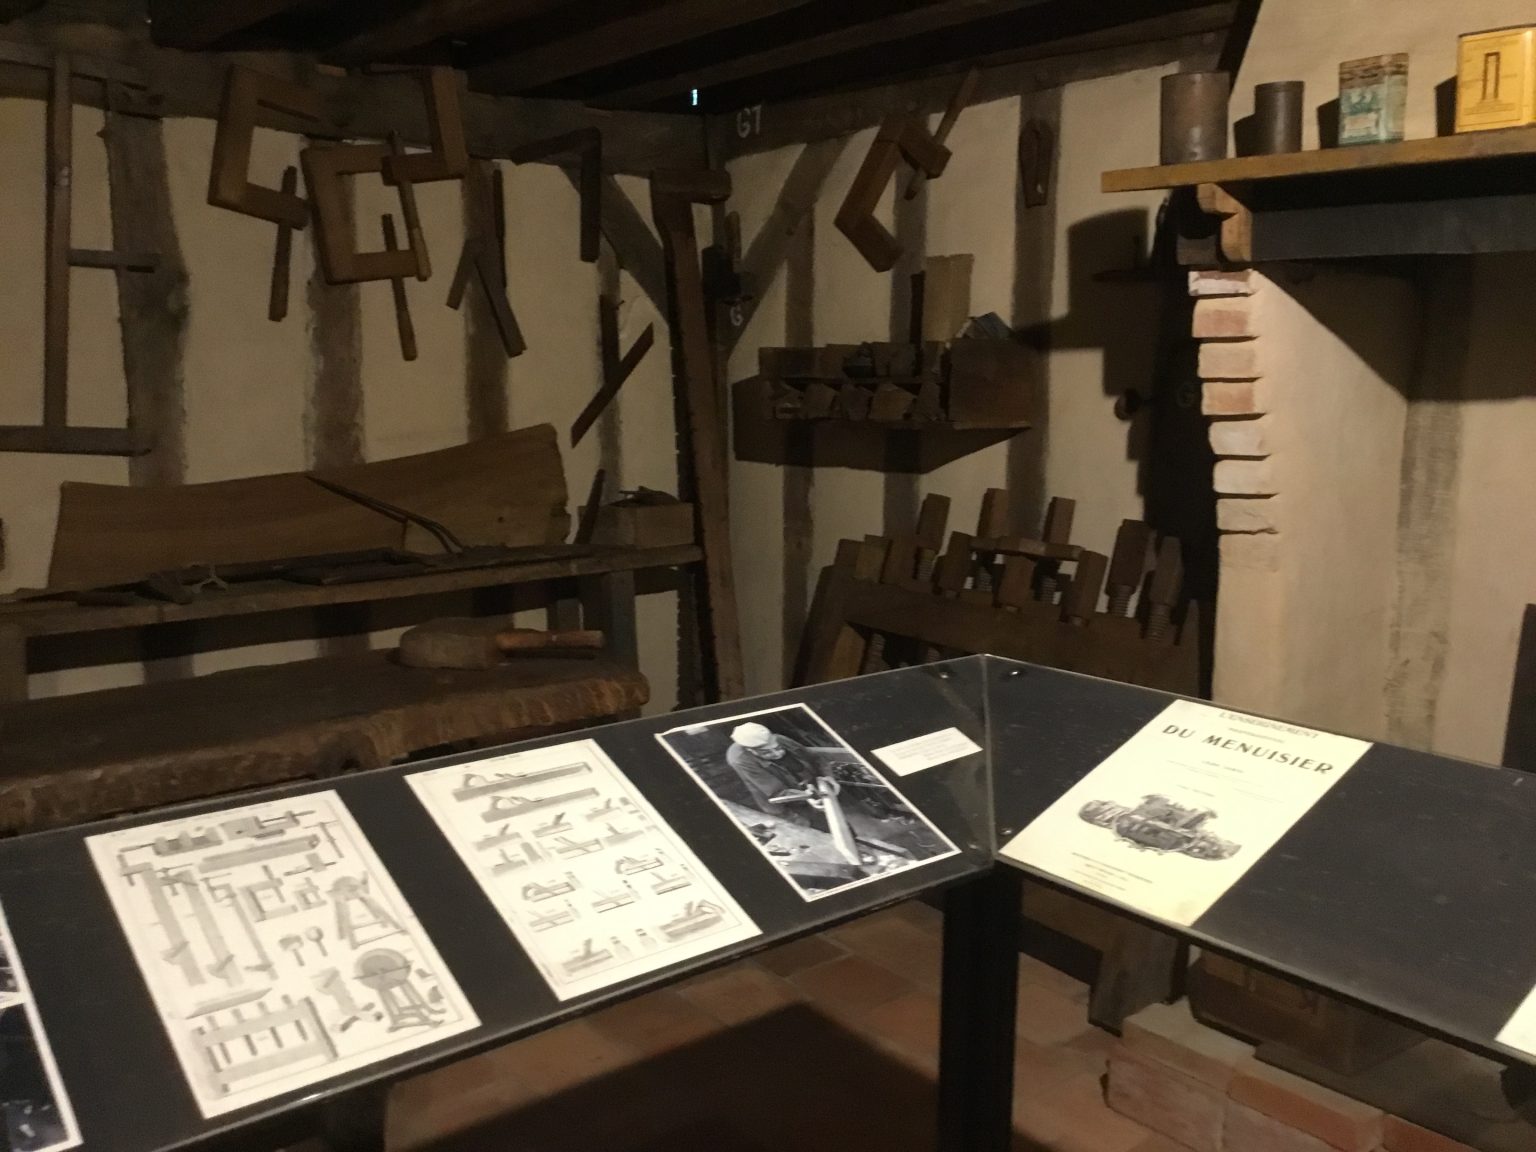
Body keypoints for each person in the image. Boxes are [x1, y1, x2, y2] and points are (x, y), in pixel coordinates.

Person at [724, 722, 822, 821]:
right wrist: (807, 796)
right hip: (782, 801)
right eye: (766, 752)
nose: (777, 754)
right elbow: (776, 792)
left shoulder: (779, 739)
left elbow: (813, 757)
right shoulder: (740, 760)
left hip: (806, 785)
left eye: (778, 748)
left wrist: (824, 777)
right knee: (801, 822)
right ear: (750, 750)